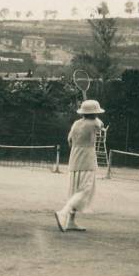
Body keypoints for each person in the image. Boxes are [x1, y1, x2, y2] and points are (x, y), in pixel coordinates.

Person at [55, 99, 105, 232]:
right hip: (86, 161)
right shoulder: (94, 123)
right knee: (85, 190)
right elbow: (100, 124)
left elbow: (70, 141)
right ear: (94, 113)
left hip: (74, 160)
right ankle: (63, 212)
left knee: (75, 191)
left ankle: (71, 222)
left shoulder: (76, 123)